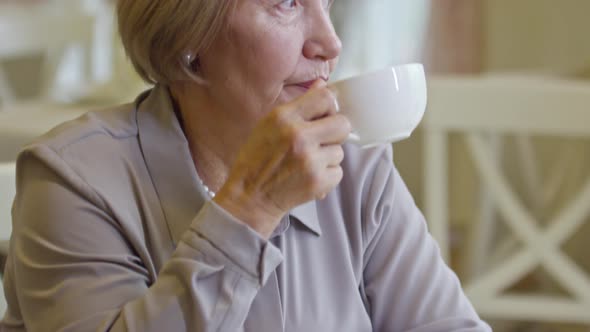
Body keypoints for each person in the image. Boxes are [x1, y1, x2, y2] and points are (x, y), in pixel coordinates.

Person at [1, 0, 491, 331]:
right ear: (188, 42)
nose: (330, 41)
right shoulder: (73, 182)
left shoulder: (356, 169)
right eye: (286, 3)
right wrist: (251, 208)